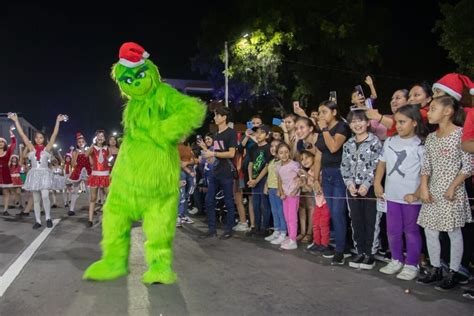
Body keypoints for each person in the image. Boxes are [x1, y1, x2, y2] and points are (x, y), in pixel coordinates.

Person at [416, 95, 471, 290]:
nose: (428, 112)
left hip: (452, 191)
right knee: (431, 231)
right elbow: (426, 166)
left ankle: (453, 271)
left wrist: (453, 186)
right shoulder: (431, 138)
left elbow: (468, 166)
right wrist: (423, 186)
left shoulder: (460, 135)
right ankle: (436, 268)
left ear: (447, 111)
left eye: (432, 108)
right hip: (433, 190)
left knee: (453, 232)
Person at [374, 104, 426, 280]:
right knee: (393, 230)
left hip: (411, 198)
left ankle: (412, 264)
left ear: (414, 122)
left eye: (403, 122)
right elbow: (382, 163)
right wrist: (377, 183)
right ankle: (396, 259)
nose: (399, 126)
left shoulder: (420, 145)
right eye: (397, 122)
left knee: (411, 230)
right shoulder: (389, 141)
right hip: (392, 195)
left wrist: (417, 193)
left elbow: (426, 173)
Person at [9, 112, 67, 229]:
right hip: (34, 174)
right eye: (36, 137)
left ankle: (48, 217)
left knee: (45, 196)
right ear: (34, 139)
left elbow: (54, 135)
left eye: (41, 137)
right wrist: (16, 121)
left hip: (45, 174)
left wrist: (57, 121)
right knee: (35, 199)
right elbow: (22, 135)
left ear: (43, 139)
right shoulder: (31, 147)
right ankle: (38, 221)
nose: (38, 139)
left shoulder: (47, 148)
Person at [341, 110, 383, 270]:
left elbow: (377, 165)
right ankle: (360, 251)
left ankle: (370, 254)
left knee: (371, 221)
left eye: (360, 120)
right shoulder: (348, 144)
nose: (357, 124)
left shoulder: (375, 142)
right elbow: (344, 166)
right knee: (356, 220)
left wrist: (366, 184)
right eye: (352, 122)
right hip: (352, 189)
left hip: (370, 189)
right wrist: (350, 184)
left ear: (367, 123)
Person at [314, 100, 351, 265]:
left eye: (324, 112)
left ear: (334, 112)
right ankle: (339, 245)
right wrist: (316, 177)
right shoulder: (324, 130)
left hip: (339, 174)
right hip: (326, 173)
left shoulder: (341, 127)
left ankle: (340, 250)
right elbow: (320, 153)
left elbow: (334, 147)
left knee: (338, 212)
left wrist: (324, 128)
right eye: (320, 112)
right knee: (332, 211)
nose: (321, 115)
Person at [199, 106, 237, 239]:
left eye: (217, 115)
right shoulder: (216, 134)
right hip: (215, 171)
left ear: (224, 117)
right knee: (209, 200)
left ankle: (229, 229)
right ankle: (212, 229)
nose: (215, 118)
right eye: (215, 116)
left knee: (228, 201)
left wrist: (213, 153)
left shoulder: (231, 133)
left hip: (226, 173)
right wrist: (207, 154)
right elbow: (215, 156)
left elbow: (231, 153)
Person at [294, 117, 318, 242]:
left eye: (301, 127)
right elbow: (299, 159)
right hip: (304, 173)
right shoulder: (299, 143)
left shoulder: (317, 140)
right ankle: (302, 232)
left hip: (315, 176)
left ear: (311, 128)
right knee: (302, 205)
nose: (298, 130)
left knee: (311, 205)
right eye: (296, 128)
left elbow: (317, 158)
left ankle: (310, 233)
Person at [246, 125, 272, 236]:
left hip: (263, 179)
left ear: (267, 135)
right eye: (257, 132)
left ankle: (264, 227)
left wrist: (257, 180)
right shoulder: (253, 147)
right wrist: (251, 179)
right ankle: (256, 226)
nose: (258, 135)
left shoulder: (269, 148)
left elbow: (267, 166)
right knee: (255, 204)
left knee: (264, 204)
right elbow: (250, 164)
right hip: (254, 180)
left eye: (262, 133)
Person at [276, 142, 300, 250]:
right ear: (277, 155)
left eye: (286, 152)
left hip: (293, 195)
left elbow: (302, 176)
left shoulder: (294, 165)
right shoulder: (278, 166)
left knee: (292, 218)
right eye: (281, 153)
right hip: (285, 195)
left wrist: (296, 189)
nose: (284, 155)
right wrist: (280, 192)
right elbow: (280, 180)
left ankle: (293, 240)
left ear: (289, 152)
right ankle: (290, 237)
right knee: (286, 217)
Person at [263, 139, 287, 244]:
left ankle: (283, 232)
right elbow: (270, 174)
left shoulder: (282, 162)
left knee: (281, 211)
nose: (273, 148)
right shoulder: (272, 161)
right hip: (271, 189)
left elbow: (283, 178)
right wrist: (266, 185)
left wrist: (280, 190)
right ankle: (276, 231)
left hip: (279, 190)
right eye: (271, 146)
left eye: (276, 146)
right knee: (274, 210)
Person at [86, 130, 111, 227]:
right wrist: (93, 143)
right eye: (98, 136)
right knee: (93, 198)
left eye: (102, 136)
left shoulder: (106, 148)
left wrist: (108, 164)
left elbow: (108, 158)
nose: (100, 137)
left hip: (105, 175)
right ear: (96, 137)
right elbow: (86, 154)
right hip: (95, 175)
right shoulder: (93, 148)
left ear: (104, 138)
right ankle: (90, 220)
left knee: (108, 197)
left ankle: (108, 217)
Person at [68, 133, 92, 216]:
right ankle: (71, 209)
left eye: (82, 141)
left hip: (87, 172)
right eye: (79, 142)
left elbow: (91, 162)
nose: (81, 143)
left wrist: (89, 154)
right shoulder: (75, 152)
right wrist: (76, 154)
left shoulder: (88, 151)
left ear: (85, 142)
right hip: (78, 172)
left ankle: (91, 208)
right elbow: (73, 164)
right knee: (75, 191)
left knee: (89, 191)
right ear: (77, 143)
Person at [0, 126, 16, 216]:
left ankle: (5, 210)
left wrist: (10, 132)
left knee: (6, 192)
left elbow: (13, 143)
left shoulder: (8, 151)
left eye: (2, 141)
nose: (1, 143)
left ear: (5, 144)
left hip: (5, 173)